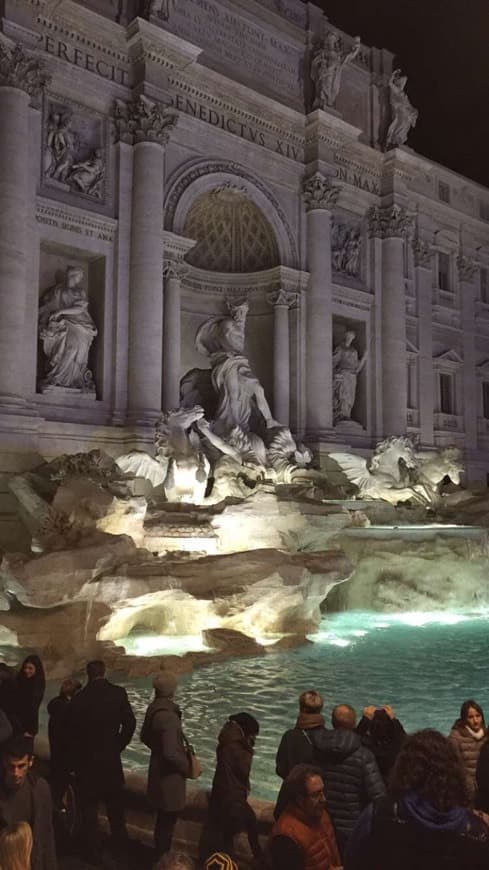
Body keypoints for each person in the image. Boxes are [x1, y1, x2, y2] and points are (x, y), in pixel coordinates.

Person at [345, 729, 489, 870]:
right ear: (455, 771)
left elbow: (353, 860)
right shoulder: (477, 832)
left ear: (404, 767)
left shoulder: (378, 813)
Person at [276, 703, 385, 857]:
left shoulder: (316, 749)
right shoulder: (363, 756)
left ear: (332, 722)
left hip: (322, 823)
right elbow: (379, 797)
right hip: (352, 829)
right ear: (353, 724)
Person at [68, 660, 136, 860]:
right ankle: (121, 850)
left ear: (88, 674)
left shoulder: (79, 699)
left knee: (90, 811)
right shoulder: (118, 693)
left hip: (86, 764)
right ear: (104, 672)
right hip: (110, 762)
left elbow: (71, 734)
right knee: (116, 810)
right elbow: (130, 723)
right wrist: (118, 745)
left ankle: (93, 853)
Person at [140, 672, 189, 860]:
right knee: (167, 823)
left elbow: (144, 737)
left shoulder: (153, 709)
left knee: (162, 822)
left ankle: (159, 858)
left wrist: (158, 751)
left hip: (157, 771)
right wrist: (185, 765)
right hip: (170, 778)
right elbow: (170, 752)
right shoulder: (169, 717)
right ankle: (163, 861)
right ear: (171, 690)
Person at [202, 712, 262, 863]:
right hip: (232, 797)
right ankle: (259, 860)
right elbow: (243, 770)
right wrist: (249, 749)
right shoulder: (238, 747)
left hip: (221, 793)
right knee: (250, 824)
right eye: (254, 735)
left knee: (224, 838)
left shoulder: (226, 739)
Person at [0, 735, 56, 870]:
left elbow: (47, 836)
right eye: (11, 766)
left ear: (30, 762)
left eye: (21, 766)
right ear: (3, 762)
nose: (15, 773)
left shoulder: (39, 789)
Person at [270, 764, 341, 870]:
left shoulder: (321, 814)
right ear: (299, 799)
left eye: (322, 791)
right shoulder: (286, 835)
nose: (323, 799)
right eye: (316, 795)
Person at [38, 266, 97, 392]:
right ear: (73, 275)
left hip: (81, 324)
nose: (80, 279)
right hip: (64, 324)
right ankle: (57, 378)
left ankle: (75, 380)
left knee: (79, 351)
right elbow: (49, 306)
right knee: (71, 348)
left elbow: (80, 309)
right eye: (79, 276)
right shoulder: (58, 290)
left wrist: (60, 311)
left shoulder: (80, 292)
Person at [276, 690, 326, 780]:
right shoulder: (329, 737)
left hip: (293, 790)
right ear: (320, 709)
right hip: (319, 790)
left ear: (301, 708)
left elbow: (280, 769)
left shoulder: (289, 736)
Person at [47, 678, 81, 808]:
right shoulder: (68, 709)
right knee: (60, 784)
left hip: (56, 750)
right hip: (65, 754)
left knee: (55, 780)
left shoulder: (55, 705)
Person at [356, 705, 406, 784]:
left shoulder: (366, 747)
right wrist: (394, 720)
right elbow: (403, 738)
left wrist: (365, 720)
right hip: (391, 788)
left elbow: (354, 738)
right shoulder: (396, 748)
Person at [449, 699, 486, 802]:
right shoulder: (455, 738)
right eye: (470, 717)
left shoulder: (486, 735)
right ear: (464, 719)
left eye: (478, 716)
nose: (475, 720)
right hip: (466, 790)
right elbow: (453, 767)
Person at [311, 32, 361, 109]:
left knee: (334, 89)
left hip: (334, 74)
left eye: (332, 41)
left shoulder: (338, 55)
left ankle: (329, 102)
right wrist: (321, 65)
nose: (330, 43)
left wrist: (357, 47)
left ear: (335, 43)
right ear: (326, 42)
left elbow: (349, 56)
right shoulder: (323, 53)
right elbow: (315, 62)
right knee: (323, 87)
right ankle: (323, 101)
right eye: (329, 40)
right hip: (324, 74)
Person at [332, 330, 367, 423]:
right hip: (343, 373)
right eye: (348, 336)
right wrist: (335, 373)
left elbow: (357, 367)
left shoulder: (354, 351)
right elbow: (333, 362)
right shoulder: (340, 348)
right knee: (343, 394)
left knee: (351, 396)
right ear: (345, 337)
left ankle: (347, 414)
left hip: (352, 376)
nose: (350, 339)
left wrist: (364, 357)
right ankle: (341, 414)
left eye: (351, 337)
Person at [15, 656, 45, 737]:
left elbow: (33, 708)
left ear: (36, 669)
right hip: (16, 721)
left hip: (28, 728)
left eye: (30, 668)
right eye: (25, 667)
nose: (26, 670)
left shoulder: (38, 685)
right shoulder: (20, 678)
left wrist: (31, 731)